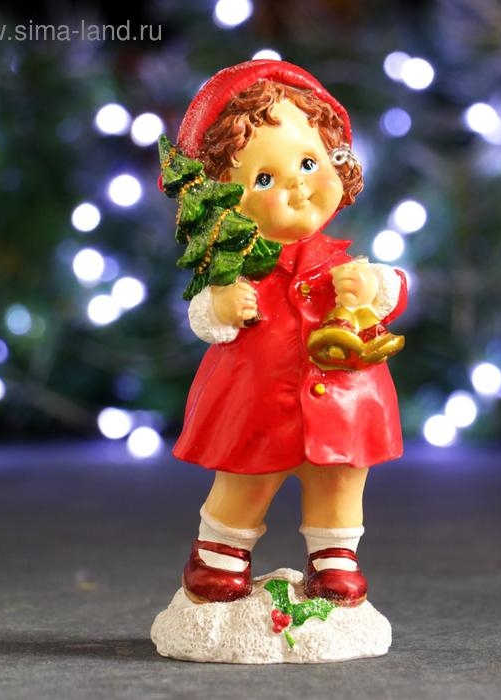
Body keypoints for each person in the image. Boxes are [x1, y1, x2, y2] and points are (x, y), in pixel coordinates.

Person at [168, 60, 407, 607]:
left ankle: (334, 558)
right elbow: (205, 316)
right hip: (256, 403)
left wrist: (373, 285)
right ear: (224, 201)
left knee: (340, 481)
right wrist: (222, 304)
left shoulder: (343, 264)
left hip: (344, 403)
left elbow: (394, 292)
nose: (298, 184)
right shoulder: (235, 269)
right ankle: (220, 553)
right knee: (244, 478)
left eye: (308, 162)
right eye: (264, 179)